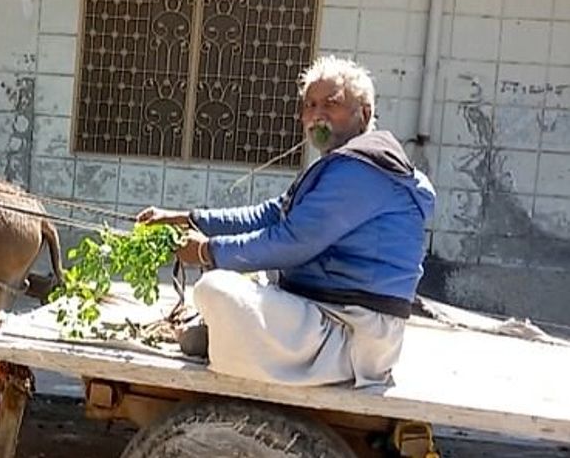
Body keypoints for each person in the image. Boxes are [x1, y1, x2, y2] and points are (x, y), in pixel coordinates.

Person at [137, 56, 435, 388]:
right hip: (327, 315)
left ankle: (233, 346)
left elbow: (292, 242)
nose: (316, 114)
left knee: (214, 287)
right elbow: (270, 214)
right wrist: (190, 219)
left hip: (351, 332)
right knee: (252, 276)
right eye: (309, 105)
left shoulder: (361, 171)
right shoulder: (344, 165)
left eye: (331, 104)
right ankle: (232, 341)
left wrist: (206, 251)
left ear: (363, 115)